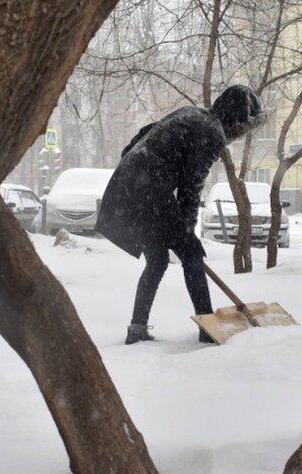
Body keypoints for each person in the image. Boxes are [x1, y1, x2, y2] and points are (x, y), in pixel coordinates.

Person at [97, 85, 265, 345]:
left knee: (158, 260)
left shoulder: (192, 114)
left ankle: (137, 328)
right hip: (148, 190)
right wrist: (187, 232)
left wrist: (138, 171)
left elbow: (143, 135)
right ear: (236, 118)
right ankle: (208, 327)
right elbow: (191, 186)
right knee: (192, 254)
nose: (240, 134)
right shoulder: (211, 132)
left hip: (129, 186)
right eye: (243, 127)